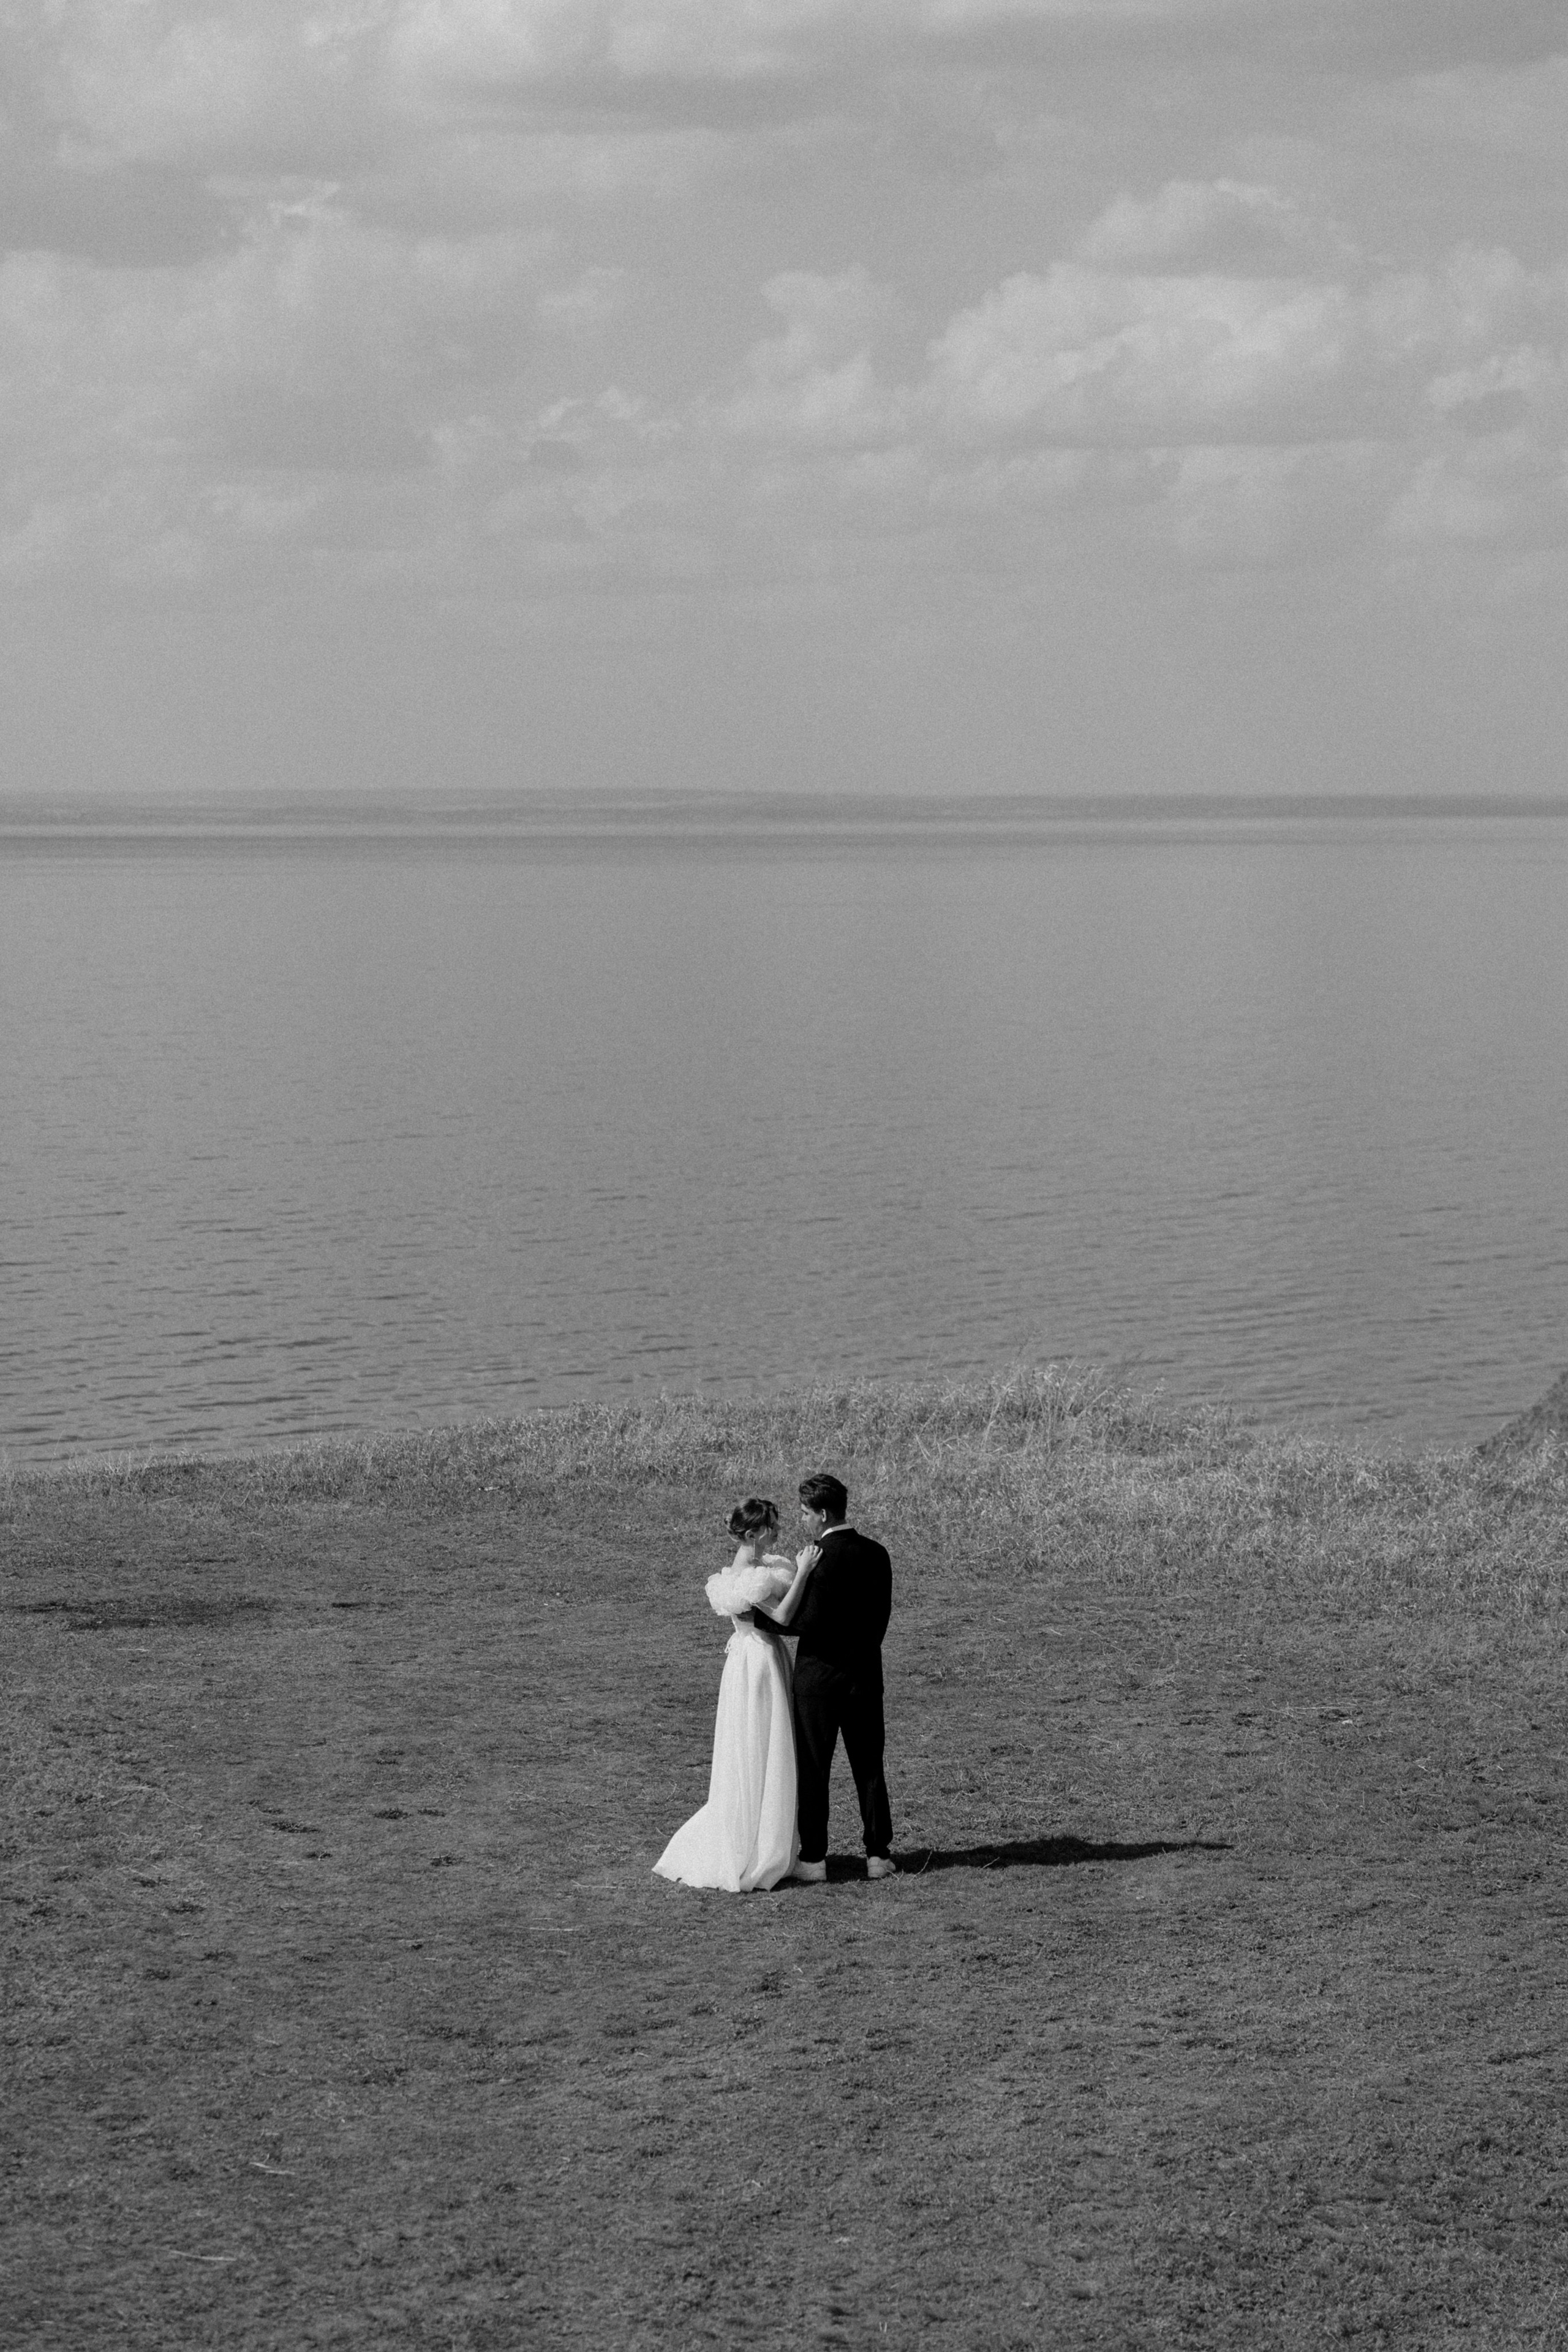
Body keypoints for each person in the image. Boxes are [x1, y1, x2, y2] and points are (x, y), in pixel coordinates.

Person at [652, 1498, 814, 1894]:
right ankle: (754, 1846)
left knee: (766, 1741)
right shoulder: (747, 1578)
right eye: (772, 1527)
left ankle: (769, 1840)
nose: (778, 1532)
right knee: (760, 1741)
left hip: (760, 1656)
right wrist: (806, 1571)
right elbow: (782, 1617)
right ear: (753, 1534)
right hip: (756, 1661)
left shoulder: (763, 1567)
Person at [750, 1472, 895, 1883]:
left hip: (817, 1682)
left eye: (805, 1513)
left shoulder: (814, 1559)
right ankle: (878, 1856)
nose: (803, 1521)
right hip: (865, 1676)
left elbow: (803, 1623)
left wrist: (755, 1615)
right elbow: (879, 1621)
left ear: (823, 1514)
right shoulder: (877, 1554)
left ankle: (814, 1858)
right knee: (869, 1767)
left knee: (814, 1768)